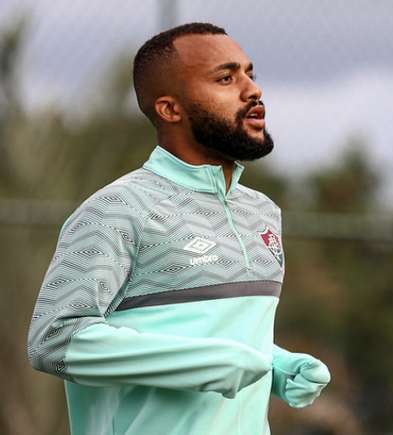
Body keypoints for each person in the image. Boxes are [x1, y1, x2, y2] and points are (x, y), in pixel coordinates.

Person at [27, 22, 330, 435]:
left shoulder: (262, 212)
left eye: (249, 74)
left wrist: (275, 364)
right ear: (170, 109)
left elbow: (200, 334)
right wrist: (205, 364)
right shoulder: (117, 209)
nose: (252, 90)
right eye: (226, 78)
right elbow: (54, 340)